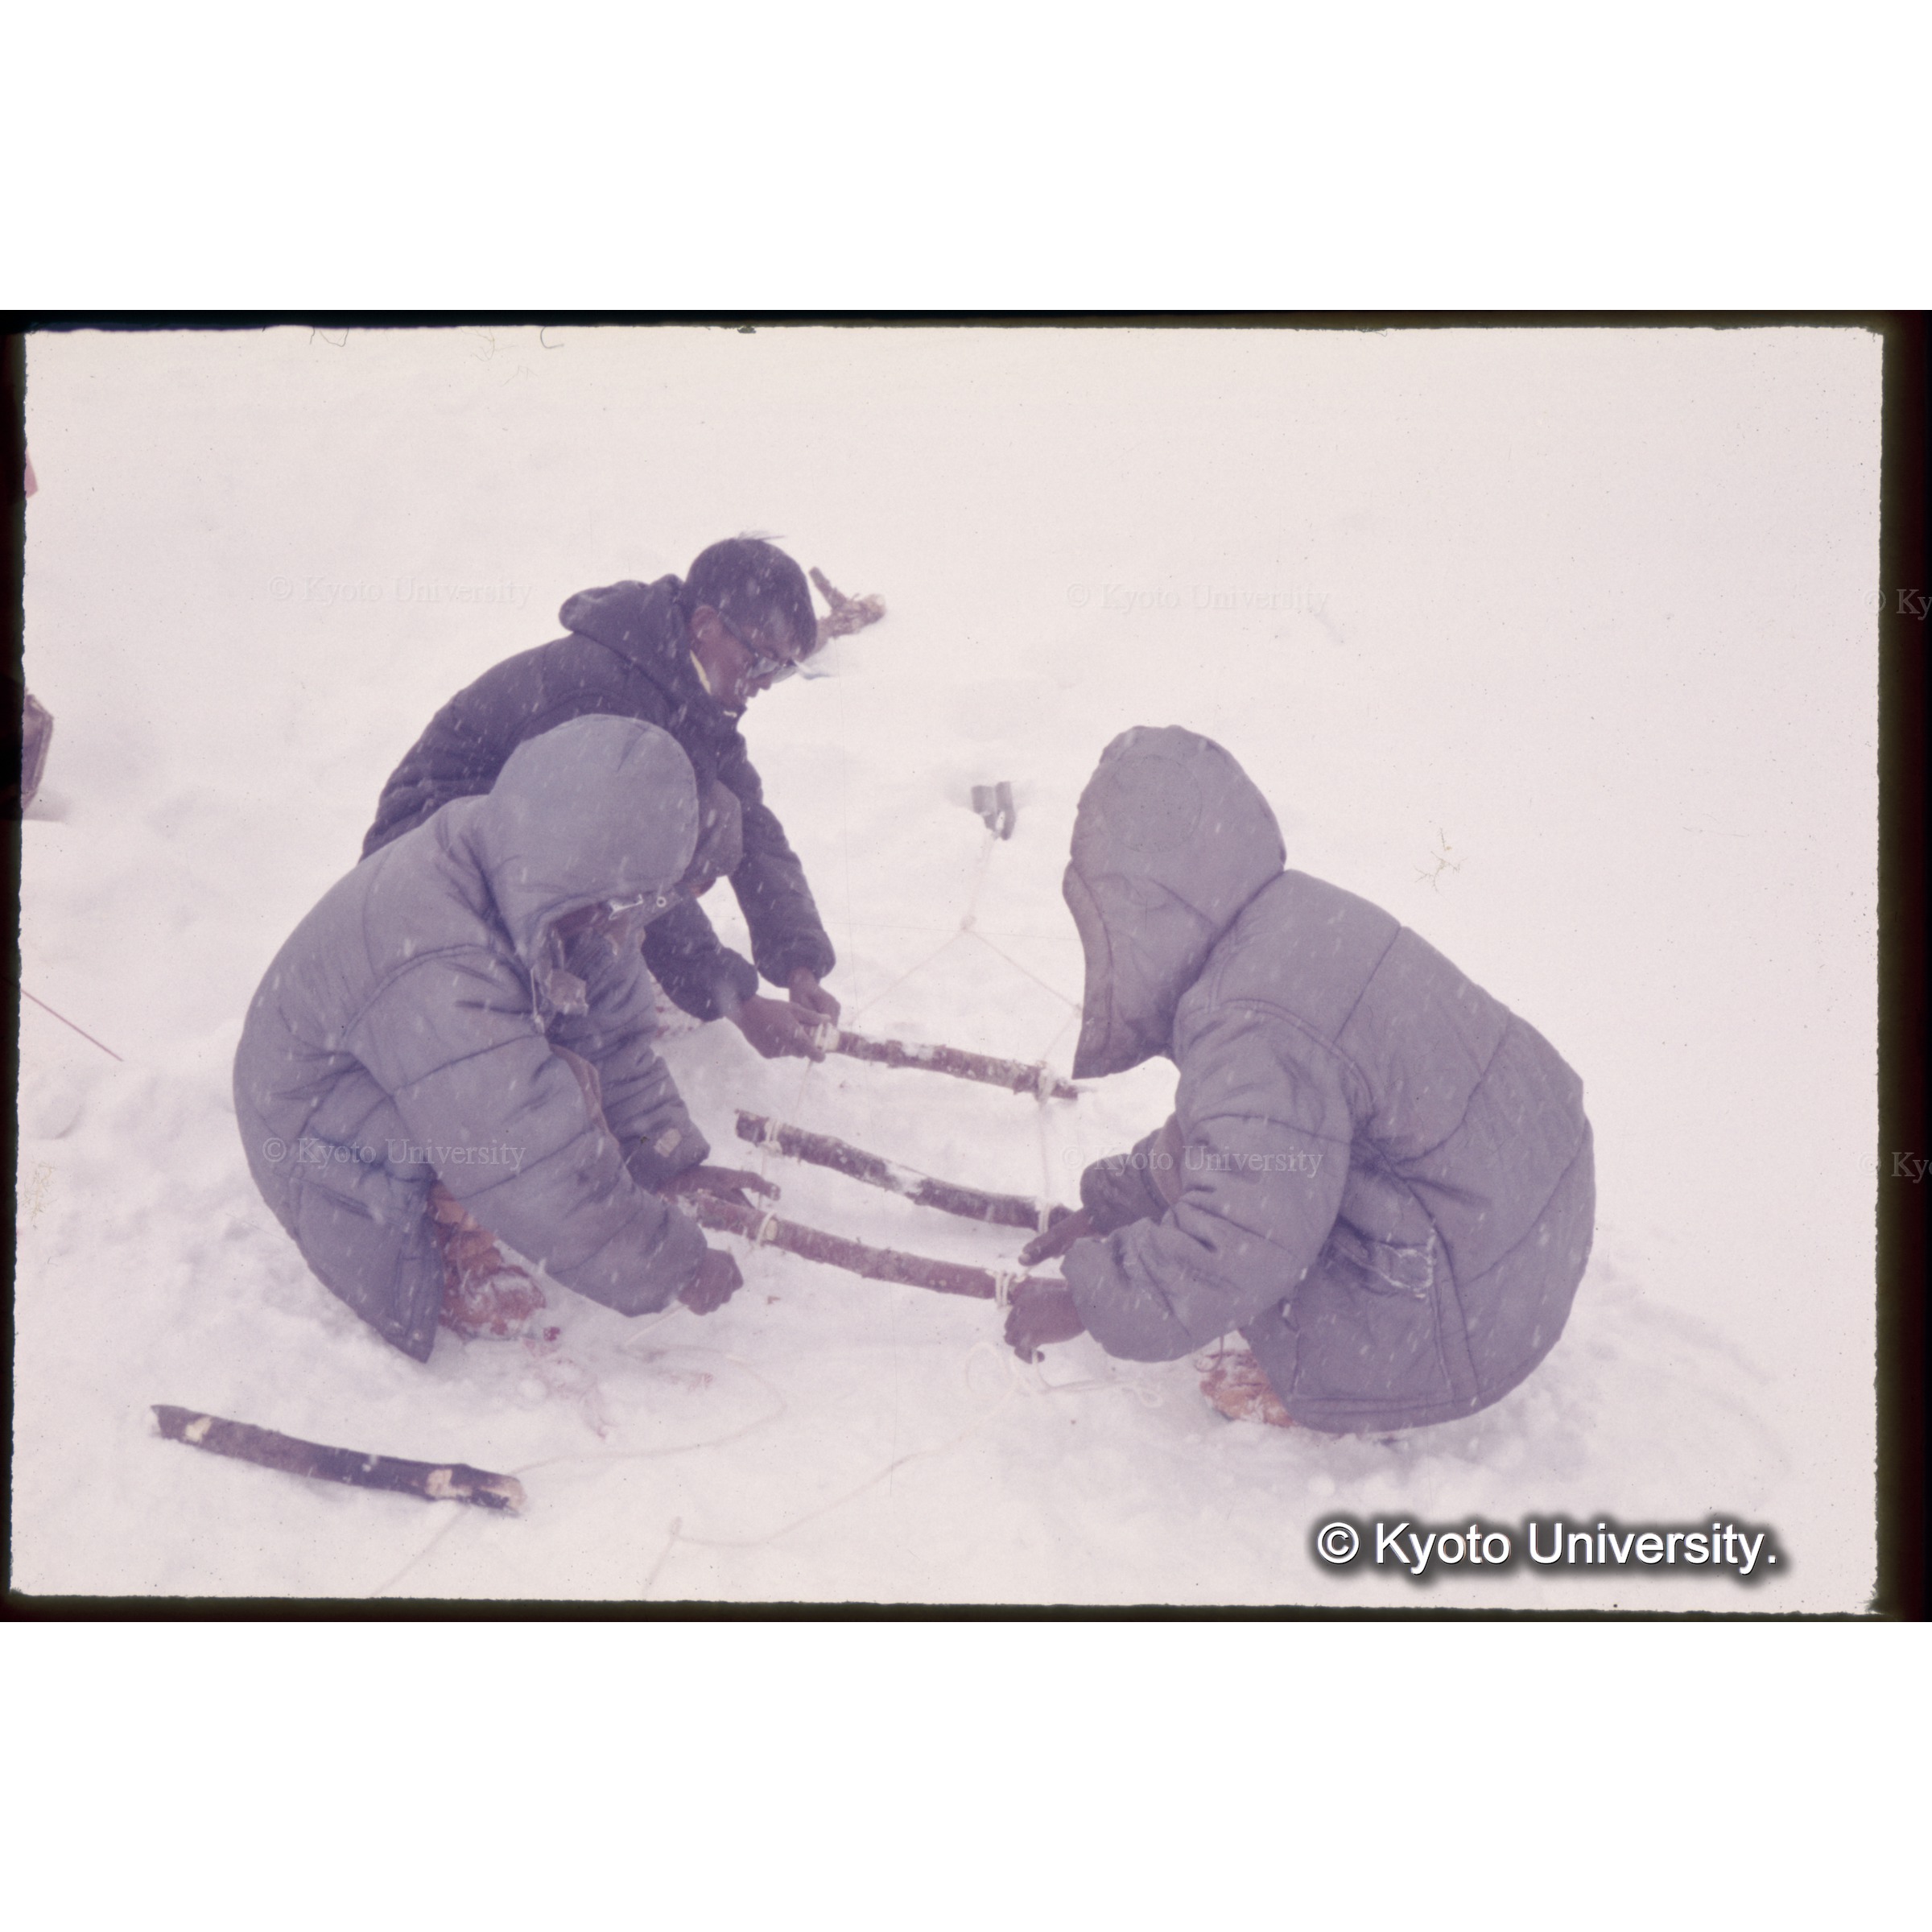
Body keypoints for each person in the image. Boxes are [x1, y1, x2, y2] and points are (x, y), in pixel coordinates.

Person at [1005, 726, 1595, 1435]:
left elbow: (1243, 1237)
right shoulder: (1289, 921)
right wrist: (1126, 1201)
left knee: (1270, 1249)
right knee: (1287, 1177)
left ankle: (1358, 1377)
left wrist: (1091, 1299)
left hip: (1465, 1324)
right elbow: (1260, 1140)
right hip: (1524, 1244)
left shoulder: (1248, 1021)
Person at [235, 716, 754, 1360]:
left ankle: (449, 1201)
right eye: (628, 908)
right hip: (317, 1137)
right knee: (517, 1098)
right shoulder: (438, 947)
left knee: (558, 1073)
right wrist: (670, 1263)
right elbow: (517, 1147)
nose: (624, 927)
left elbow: (615, 1039)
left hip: (384, 1077)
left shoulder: (558, 878)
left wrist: (668, 1160)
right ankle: (443, 1247)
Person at [361, 537, 839, 1061]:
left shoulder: (689, 688)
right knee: (656, 837)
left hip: (507, 851)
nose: (767, 685)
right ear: (705, 626)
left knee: (719, 819)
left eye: (785, 670)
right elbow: (624, 864)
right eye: (764, 662)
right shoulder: (606, 696)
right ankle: (516, 987)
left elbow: (754, 827)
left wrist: (799, 961)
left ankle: (579, 957)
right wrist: (740, 1002)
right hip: (421, 870)